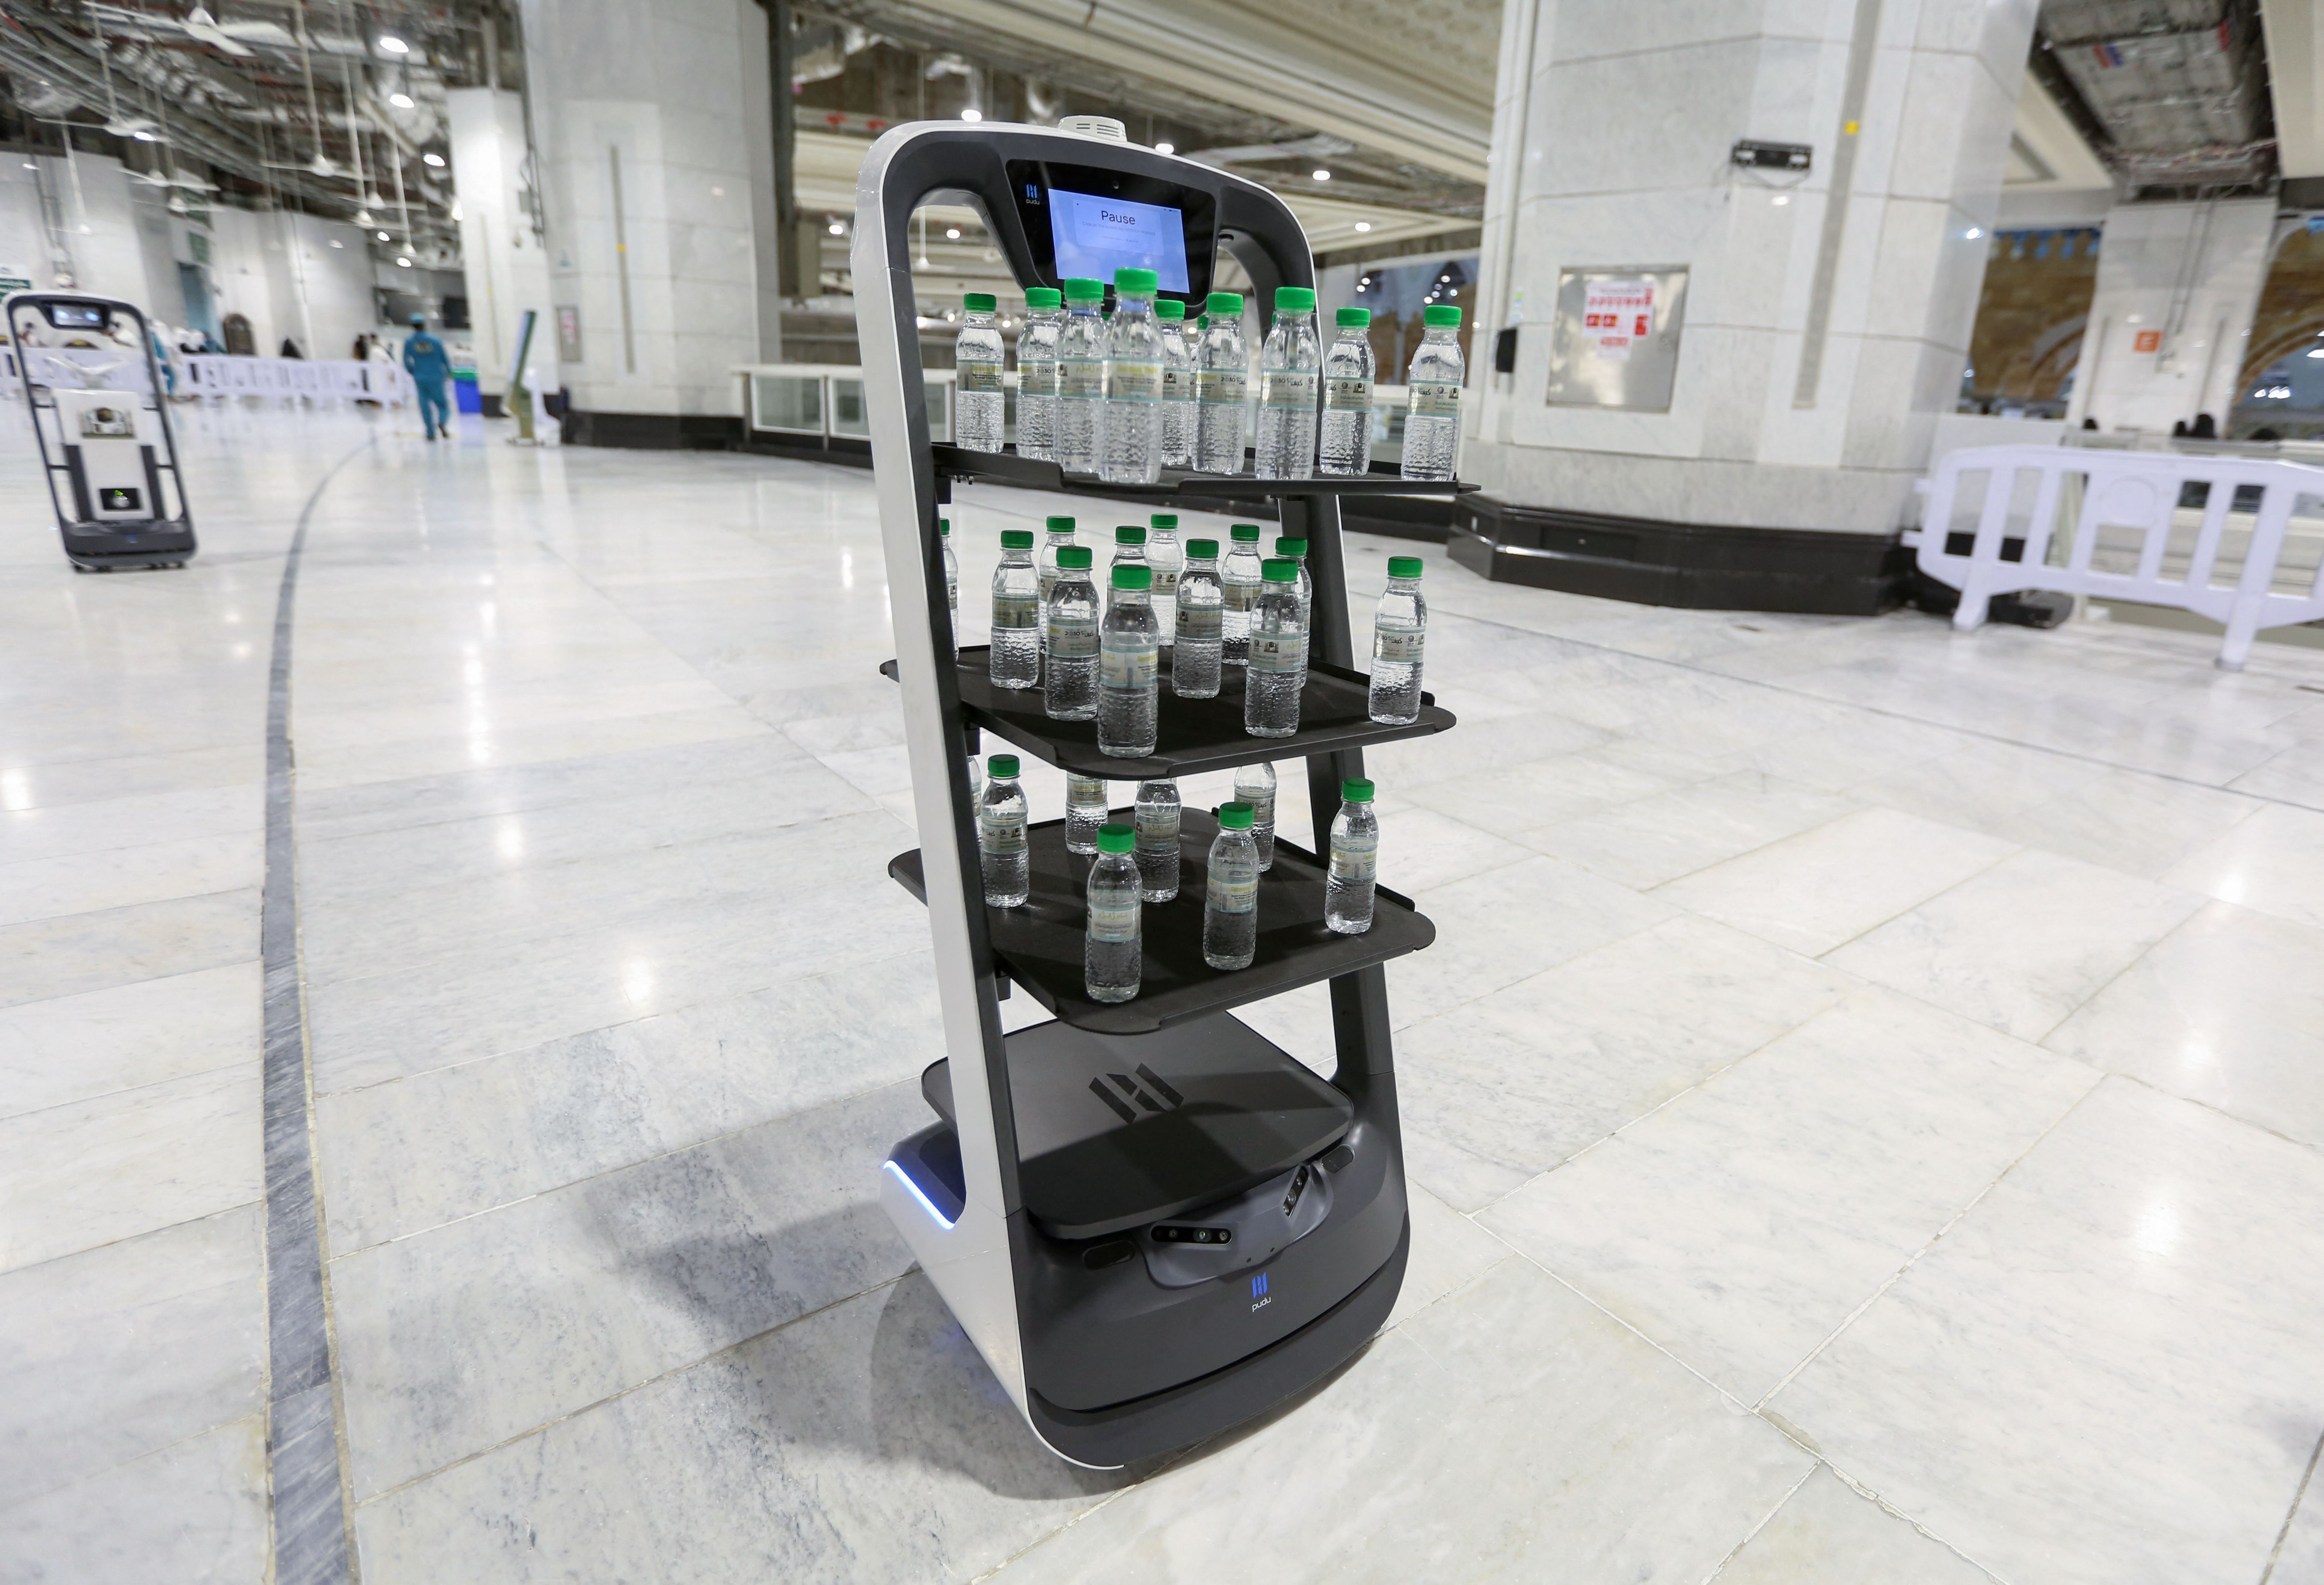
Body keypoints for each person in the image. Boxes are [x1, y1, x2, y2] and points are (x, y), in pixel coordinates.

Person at [402, 312, 452, 440]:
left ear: (413, 326)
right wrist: (449, 372)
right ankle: (442, 422)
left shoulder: (409, 342)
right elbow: (444, 358)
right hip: (436, 377)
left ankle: (430, 433)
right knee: (442, 404)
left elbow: (406, 360)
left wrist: (413, 371)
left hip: (420, 378)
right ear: (424, 325)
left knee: (425, 406)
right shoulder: (435, 341)